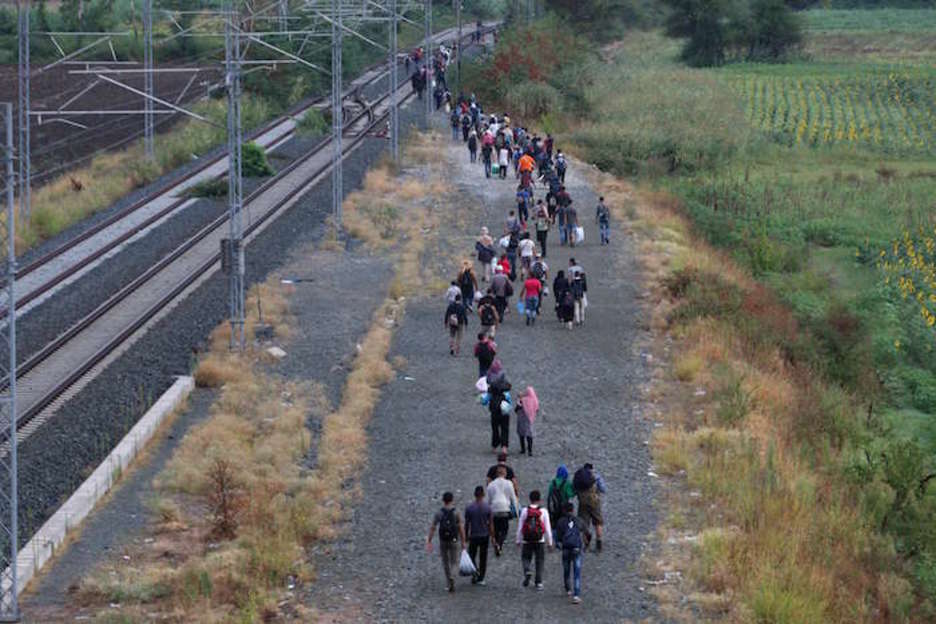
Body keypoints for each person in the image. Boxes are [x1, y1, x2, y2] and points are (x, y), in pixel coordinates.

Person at [426, 491, 467, 592]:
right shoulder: (456, 512)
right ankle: (453, 575)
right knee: (454, 561)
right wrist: (463, 541)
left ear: (443, 500)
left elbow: (433, 527)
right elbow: (461, 528)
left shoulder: (439, 513)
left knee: (445, 561)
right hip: (454, 539)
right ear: (452, 500)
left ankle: (449, 582)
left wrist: (429, 540)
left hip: (443, 540)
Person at [516, 490, 553, 590]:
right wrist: (550, 542)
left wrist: (518, 540)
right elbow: (548, 528)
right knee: (539, 560)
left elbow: (520, 526)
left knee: (525, 558)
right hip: (539, 540)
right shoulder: (543, 511)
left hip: (527, 540)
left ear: (530, 499)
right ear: (539, 499)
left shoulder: (524, 511)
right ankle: (539, 582)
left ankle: (527, 570)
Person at [555, 501, 586, 603]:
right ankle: (576, 594)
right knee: (577, 572)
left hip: (566, 548)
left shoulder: (560, 521)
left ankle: (568, 589)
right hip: (576, 548)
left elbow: (558, 538)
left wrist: (559, 545)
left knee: (566, 569)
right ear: (573, 510)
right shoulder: (579, 520)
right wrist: (586, 545)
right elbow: (587, 533)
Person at [465, 485, 494, 585]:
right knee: (483, 557)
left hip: (473, 535)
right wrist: (493, 537)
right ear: (483, 494)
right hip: (484, 535)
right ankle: (481, 577)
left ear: (475, 495)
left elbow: (467, 523)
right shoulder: (488, 508)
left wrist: (465, 536)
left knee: (471, 556)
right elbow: (490, 523)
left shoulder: (469, 508)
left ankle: (475, 572)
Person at [487, 465, 519, 557]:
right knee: (505, 529)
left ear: (497, 474)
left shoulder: (491, 485)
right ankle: (500, 544)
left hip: (494, 509)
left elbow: (488, 500)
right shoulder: (509, 483)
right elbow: (513, 498)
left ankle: (496, 542)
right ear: (505, 473)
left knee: (496, 528)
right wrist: (517, 512)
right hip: (505, 508)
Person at [573, 463, 605, 552]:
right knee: (598, 522)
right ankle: (599, 544)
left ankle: (586, 546)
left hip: (582, 504)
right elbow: (603, 489)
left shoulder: (580, 477)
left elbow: (574, 490)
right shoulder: (596, 476)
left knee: (584, 524)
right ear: (592, 468)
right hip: (595, 503)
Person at [547, 464, 576, 538]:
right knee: (564, 522)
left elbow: (550, 494)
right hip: (564, 507)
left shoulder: (552, 483)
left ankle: (554, 539)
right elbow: (570, 494)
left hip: (554, 507)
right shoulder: (566, 483)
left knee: (554, 523)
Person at [488, 370, 511, 453]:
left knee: (495, 429)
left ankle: (494, 445)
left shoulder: (492, 387)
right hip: (504, 411)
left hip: (495, 411)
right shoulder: (506, 388)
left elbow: (487, 396)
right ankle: (504, 447)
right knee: (505, 429)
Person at [515, 386, 538, 455]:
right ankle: (530, 451)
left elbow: (516, 409)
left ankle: (523, 449)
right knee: (529, 435)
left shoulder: (522, 400)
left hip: (521, 420)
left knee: (521, 435)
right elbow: (536, 409)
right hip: (530, 420)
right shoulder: (535, 400)